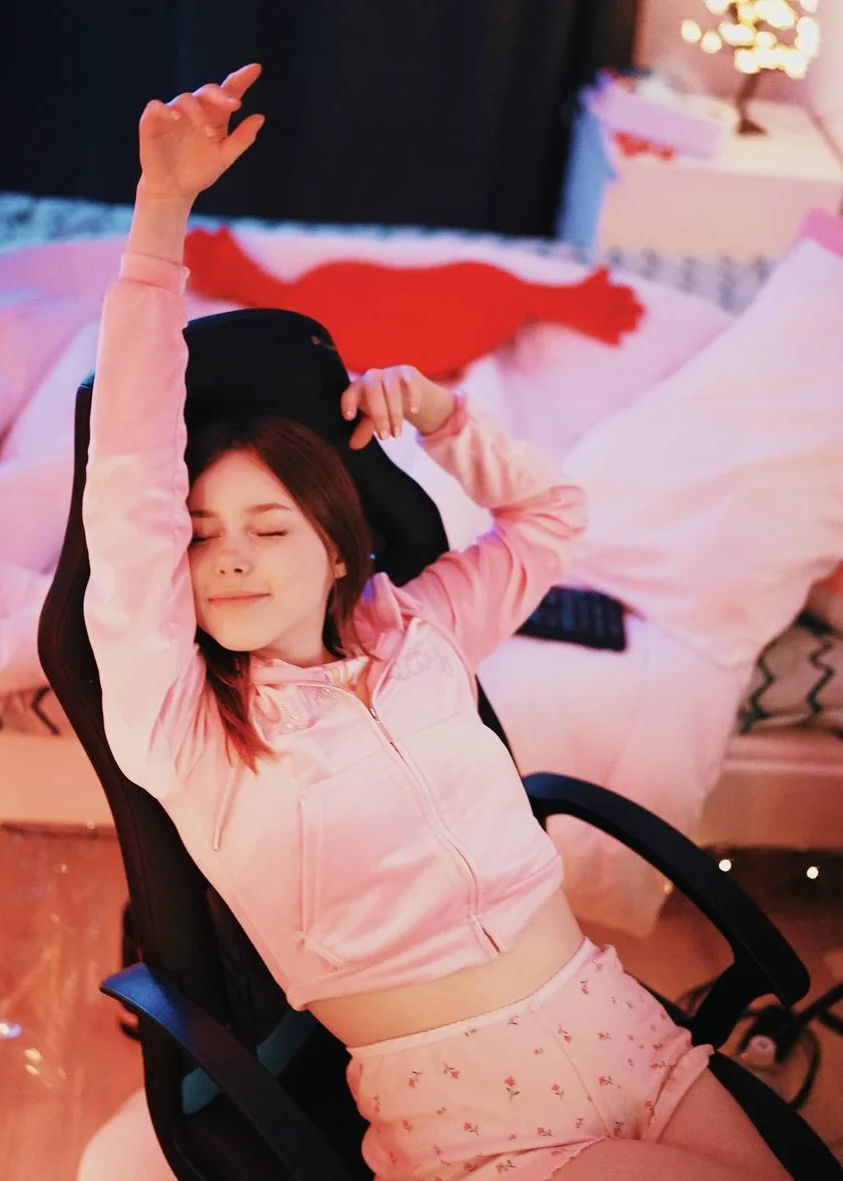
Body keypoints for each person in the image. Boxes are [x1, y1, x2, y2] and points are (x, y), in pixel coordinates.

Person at [81, 61, 790, 1181]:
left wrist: (444, 415)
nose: (229, 556)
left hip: (625, 1027)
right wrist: (161, 210)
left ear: (335, 547)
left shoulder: (416, 631)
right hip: (479, 1117)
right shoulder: (185, 728)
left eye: (268, 526)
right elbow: (128, 482)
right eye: (202, 535)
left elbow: (551, 518)